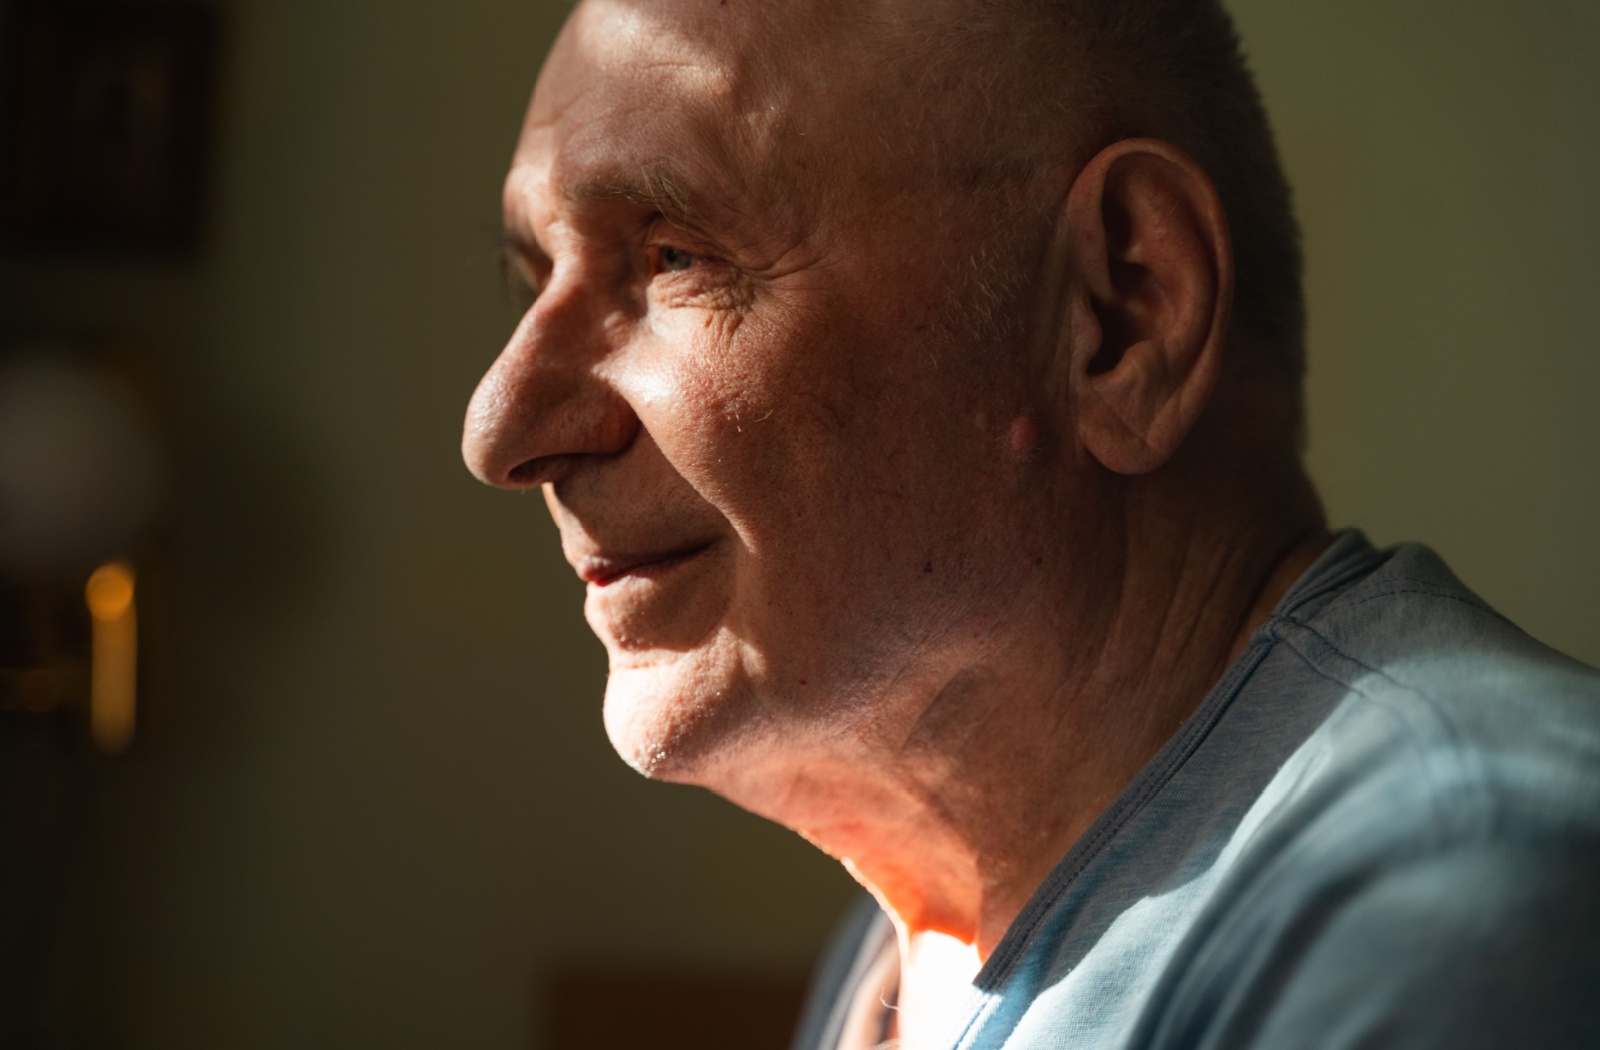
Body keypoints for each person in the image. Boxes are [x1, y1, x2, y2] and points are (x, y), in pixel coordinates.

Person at [461, 0, 1600, 1046]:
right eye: (534, 281)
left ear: (1121, 310)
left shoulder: (1452, 895)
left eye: (673, 258)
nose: (502, 429)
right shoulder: (914, 946)